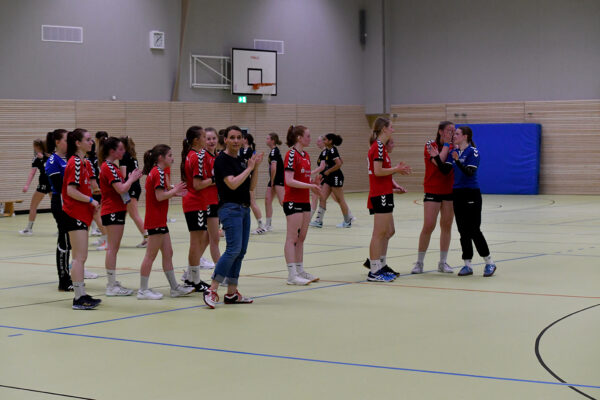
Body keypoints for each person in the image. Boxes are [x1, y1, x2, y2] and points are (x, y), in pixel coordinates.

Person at [202, 126, 264, 309]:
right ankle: (212, 289)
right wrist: (249, 168)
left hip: (244, 209)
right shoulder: (222, 159)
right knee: (233, 249)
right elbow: (232, 183)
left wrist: (255, 168)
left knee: (240, 251)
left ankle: (231, 293)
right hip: (230, 209)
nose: (236, 141)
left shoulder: (241, 161)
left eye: (239, 137)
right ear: (226, 140)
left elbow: (251, 187)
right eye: (232, 137)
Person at [429, 126, 497, 277]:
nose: (454, 136)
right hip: (458, 193)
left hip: (471, 193)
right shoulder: (454, 152)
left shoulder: (473, 151)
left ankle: (489, 262)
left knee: (474, 230)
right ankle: (467, 264)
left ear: (465, 136)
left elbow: (469, 172)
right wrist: (436, 157)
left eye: (457, 134)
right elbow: (445, 170)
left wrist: (457, 161)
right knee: (462, 230)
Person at [137, 144, 194, 300]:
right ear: (161, 158)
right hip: (155, 220)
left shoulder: (157, 172)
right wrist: (174, 191)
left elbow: (160, 194)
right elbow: (159, 196)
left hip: (160, 220)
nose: (172, 158)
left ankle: (174, 288)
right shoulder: (158, 173)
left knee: (168, 253)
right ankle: (143, 290)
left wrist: (175, 193)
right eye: (170, 155)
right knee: (150, 255)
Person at [366, 117, 411, 282]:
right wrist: (396, 169)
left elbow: (382, 173)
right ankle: (374, 270)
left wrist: (394, 186)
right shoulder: (378, 147)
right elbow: (378, 171)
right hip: (380, 195)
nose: (393, 129)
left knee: (388, 231)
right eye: (391, 127)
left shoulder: (381, 148)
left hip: (385, 193)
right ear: (384, 129)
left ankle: (380, 264)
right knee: (379, 233)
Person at [62, 129, 102, 309]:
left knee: (81, 257)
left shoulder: (84, 162)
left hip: (82, 214)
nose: (91, 142)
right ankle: (78, 298)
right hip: (74, 214)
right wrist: (91, 200)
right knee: (79, 257)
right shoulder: (76, 162)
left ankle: (82, 294)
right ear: (77, 143)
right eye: (88, 139)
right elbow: (71, 191)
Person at [98, 136, 143, 296]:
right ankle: (111, 286)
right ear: (112, 151)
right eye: (121, 149)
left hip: (116, 210)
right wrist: (132, 179)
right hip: (112, 211)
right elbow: (121, 189)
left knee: (114, 248)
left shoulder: (112, 167)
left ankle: (112, 283)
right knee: (112, 248)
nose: (124, 151)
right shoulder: (108, 167)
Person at [411, 121, 456, 274]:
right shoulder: (430, 145)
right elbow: (440, 162)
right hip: (432, 189)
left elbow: (446, 166)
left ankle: (443, 262)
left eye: (454, 130)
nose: (452, 133)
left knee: (447, 225)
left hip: (449, 190)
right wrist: (446, 145)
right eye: (449, 130)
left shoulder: (455, 146)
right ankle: (419, 263)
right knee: (429, 225)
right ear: (440, 131)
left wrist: (449, 146)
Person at [283, 125, 321, 285]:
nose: (310, 138)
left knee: (301, 238)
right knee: (292, 237)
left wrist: (313, 182)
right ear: (299, 138)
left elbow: (302, 179)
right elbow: (289, 180)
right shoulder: (291, 154)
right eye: (308, 136)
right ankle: (292, 275)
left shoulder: (306, 155)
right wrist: (310, 186)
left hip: (305, 200)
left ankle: (300, 270)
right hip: (293, 201)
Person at [180, 126, 211, 292]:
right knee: (196, 241)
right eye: (204, 137)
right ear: (196, 140)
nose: (207, 140)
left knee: (201, 239)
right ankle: (194, 280)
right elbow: (197, 185)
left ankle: (192, 277)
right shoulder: (196, 157)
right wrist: (214, 179)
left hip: (196, 203)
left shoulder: (191, 155)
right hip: (195, 203)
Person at [45, 129, 73, 291]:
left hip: (71, 203)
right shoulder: (52, 161)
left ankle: (72, 274)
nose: (69, 143)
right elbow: (59, 186)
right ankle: (63, 279)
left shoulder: (69, 159)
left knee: (71, 241)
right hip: (61, 203)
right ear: (57, 142)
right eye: (66, 140)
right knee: (64, 241)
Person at [309, 133, 353, 228]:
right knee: (322, 197)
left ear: (330, 141)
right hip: (329, 178)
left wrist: (328, 171)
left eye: (325, 139)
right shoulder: (327, 151)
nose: (323, 141)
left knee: (340, 199)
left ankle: (347, 221)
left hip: (336, 177)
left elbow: (339, 164)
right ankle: (318, 221)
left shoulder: (333, 150)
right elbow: (340, 161)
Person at [119, 136, 148, 248]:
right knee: (123, 213)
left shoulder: (124, 155)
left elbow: (123, 174)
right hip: (135, 186)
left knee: (134, 214)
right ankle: (110, 237)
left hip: (130, 187)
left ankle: (147, 238)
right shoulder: (132, 156)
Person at [19, 139, 51, 235]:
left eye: (34, 147)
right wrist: (27, 185)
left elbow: (32, 173)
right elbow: (32, 172)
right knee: (55, 207)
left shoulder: (49, 157)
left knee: (34, 206)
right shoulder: (40, 157)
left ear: (38, 147)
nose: (34, 149)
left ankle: (29, 229)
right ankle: (62, 229)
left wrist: (27, 185)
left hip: (48, 183)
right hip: (49, 183)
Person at [202, 128, 221, 265]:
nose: (211, 141)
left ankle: (192, 268)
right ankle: (221, 272)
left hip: (217, 200)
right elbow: (200, 182)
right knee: (214, 238)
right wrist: (218, 179)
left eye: (214, 138)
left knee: (209, 238)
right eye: (208, 139)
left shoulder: (218, 156)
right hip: (207, 201)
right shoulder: (202, 157)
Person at [240, 133, 266, 234]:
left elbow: (251, 166)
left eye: (241, 138)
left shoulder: (250, 151)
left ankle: (261, 226)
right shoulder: (242, 150)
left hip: (248, 179)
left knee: (252, 202)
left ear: (246, 140)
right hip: (243, 179)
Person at [88, 132, 108, 252]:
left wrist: (95, 189)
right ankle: (104, 237)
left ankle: (106, 238)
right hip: (99, 188)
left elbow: (93, 177)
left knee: (96, 214)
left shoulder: (91, 160)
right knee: (96, 214)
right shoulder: (99, 157)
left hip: (97, 189)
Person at [264, 132, 284, 232]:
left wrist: (272, 181)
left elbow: (274, 168)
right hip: (273, 179)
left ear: (273, 140)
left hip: (278, 179)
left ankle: (295, 219)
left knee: (283, 202)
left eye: (268, 138)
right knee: (267, 200)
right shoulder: (273, 151)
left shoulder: (274, 152)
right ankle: (268, 225)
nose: (266, 140)